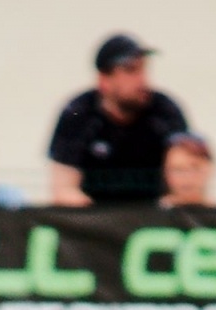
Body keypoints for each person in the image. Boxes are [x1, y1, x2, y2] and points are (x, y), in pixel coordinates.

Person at [47, 34, 189, 205]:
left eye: (144, 69)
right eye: (131, 70)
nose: (142, 80)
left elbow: (189, 178)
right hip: (93, 222)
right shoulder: (78, 114)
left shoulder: (165, 112)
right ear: (104, 80)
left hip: (156, 222)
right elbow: (63, 189)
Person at [159, 133, 216, 208]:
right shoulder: (148, 215)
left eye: (195, 168)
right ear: (165, 172)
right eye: (178, 169)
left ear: (211, 168)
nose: (187, 176)